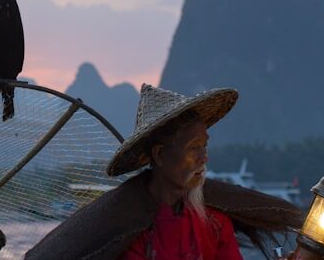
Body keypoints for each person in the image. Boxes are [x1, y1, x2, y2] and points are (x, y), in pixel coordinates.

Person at [26, 84, 303, 260]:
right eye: (194, 147)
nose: (204, 157)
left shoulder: (215, 221)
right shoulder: (126, 227)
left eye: (205, 146)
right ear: (160, 155)